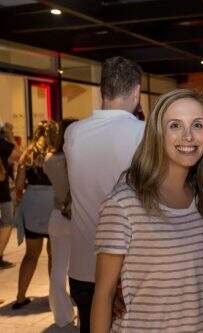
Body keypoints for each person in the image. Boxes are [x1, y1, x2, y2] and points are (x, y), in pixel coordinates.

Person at [91, 89, 203, 332]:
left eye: (197, 125)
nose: (188, 136)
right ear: (156, 134)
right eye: (175, 125)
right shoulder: (125, 203)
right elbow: (103, 295)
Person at [64, 56, 144, 332]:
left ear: (102, 90)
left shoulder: (73, 133)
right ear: (136, 91)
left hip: (82, 267)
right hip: (125, 271)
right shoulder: (143, 133)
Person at [12, 121, 58, 309]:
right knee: (53, 255)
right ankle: (54, 299)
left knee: (31, 254)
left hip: (32, 203)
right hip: (52, 203)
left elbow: (19, 185)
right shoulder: (56, 154)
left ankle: (20, 297)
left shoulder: (27, 154)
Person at [43, 119, 76, 327]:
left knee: (58, 269)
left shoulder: (49, 159)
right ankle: (86, 310)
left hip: (57, 215)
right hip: (78, 216)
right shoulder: (78, 159)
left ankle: (62, 316)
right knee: (85, 268)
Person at [0, 122, 19, 270]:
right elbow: (16, 155)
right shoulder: (3, 143)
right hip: (2, 191)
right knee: (7, 222)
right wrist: (10, 136)